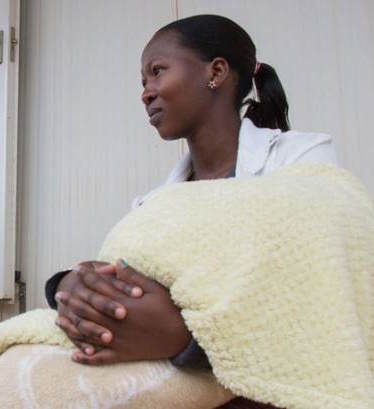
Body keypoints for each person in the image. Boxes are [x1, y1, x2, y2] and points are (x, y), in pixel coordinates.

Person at [46, 14, 339, 407]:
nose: (146, 92)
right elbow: (125, 286)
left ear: (216, 72)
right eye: (143, 81)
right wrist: (69, 285)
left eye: (157, 72)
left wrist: (191, 342)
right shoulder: (152, 205)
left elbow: (315, 291)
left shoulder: (302, 159)